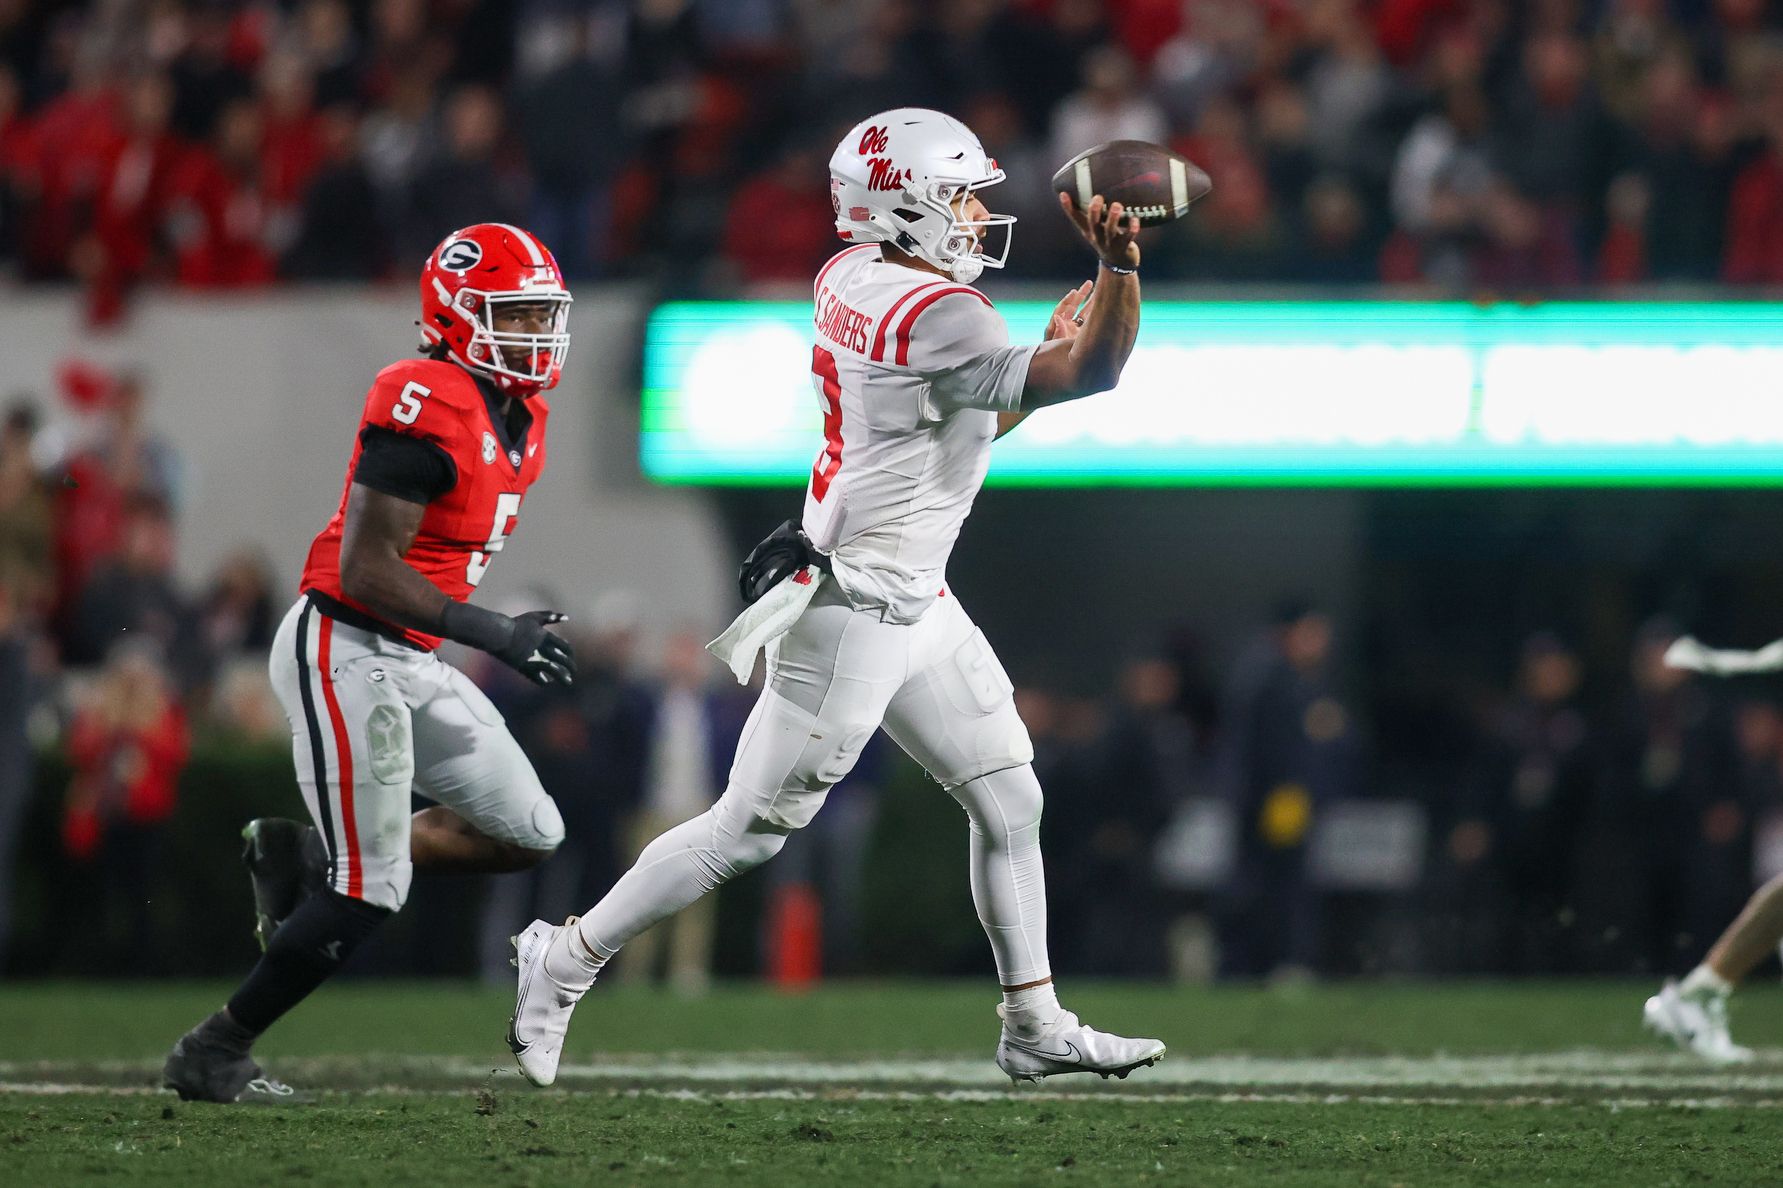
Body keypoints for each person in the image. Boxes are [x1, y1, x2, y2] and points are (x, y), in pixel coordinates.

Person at [509, 107, 1165, 1086]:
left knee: (1008, 795)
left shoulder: (847, 276)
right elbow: (1097, 372)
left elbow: (945, 428)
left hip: (908, 592)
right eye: (958, 194)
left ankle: (1031, 1022)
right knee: (748, 829)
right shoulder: (943, 315)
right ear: (901, 208)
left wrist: (1030, 369)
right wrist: (1118, 276)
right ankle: (562, 960)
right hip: (856, 604)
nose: (979, 211)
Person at [162, 223, 580, 1104]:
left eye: (545, 315)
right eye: (518, 315)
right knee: (373, 888)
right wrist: (495, 632)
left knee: (528, 833)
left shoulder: (523, 415)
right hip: (344, 644)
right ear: (456, 316)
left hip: (411, 655)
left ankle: (307, 854)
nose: (538, 335)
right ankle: (216, 1049)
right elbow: (365, 569)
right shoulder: (423, 393)